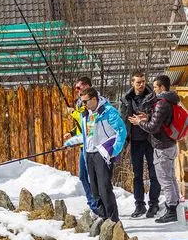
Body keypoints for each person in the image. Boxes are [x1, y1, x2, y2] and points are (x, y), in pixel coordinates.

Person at [69, 87, 127, 222]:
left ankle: (113, 219)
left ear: (94, 99)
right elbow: (86, 134)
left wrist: (114, 150)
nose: (82, 105)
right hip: (88, 152)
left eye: (85, 102)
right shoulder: (86, 113)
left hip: (102, 153)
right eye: (81, 102)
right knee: (94, 188)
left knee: (104, 187)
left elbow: (121, 131)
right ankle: (103, 215)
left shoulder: (107, 111)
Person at [129, 75, 181, 223]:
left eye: (156, 86)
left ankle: (171, 210)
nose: (154, 89)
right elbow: (161, 120)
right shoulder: (171, 100)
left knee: (164, 179)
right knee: (170, 177)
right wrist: (148, 117)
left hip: (162, 146)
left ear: (162, 87)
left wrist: (140, 122)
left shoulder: (161, 103)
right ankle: (175, 205)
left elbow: (153, 128)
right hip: (170, 144)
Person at [120, 72, 160, 218]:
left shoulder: (153, 97)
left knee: (154, 174)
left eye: (143, 81)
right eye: (138, 82)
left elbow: (160, 115)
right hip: (135, 141)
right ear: (132, 83)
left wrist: (147, 117)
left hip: (151, 140)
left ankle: (154, 204)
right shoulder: (126, 99)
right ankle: (139, 205)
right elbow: (121, 119)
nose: (141, 84)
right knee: (137, 175)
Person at [63, 77, 98, 214]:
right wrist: (72, 133)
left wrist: (73, 113)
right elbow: (81, 126)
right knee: (83, 176)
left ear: (87, 86)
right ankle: (92, 203)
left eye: (80, 87)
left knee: (91, 177)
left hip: (91, 145)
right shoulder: (79, 103)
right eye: (76, 88)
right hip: (82, 143)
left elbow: (86, 119)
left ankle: (97, 204)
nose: (77, 90)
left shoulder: (92, 103)